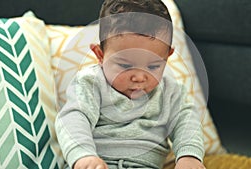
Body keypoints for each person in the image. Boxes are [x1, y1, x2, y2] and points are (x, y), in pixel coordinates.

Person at [55, 0, 206, 169]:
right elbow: (74, 117)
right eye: (125, 66)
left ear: (167, 56)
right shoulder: (90, 83)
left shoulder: (170, 91)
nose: (140, 77)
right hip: (98, 163)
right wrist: (83, 156)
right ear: (100, 55)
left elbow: (186, 121)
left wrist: (189, 156)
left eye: (153, 66)